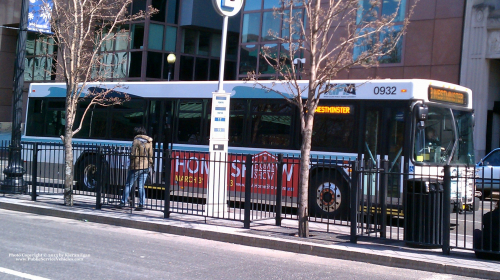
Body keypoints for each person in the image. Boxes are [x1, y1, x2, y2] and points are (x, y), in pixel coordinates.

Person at [119, 127, 153, 211]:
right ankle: (141, 204)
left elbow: (133, 154)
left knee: (128, 184)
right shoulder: (149, 141)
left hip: (136, 166)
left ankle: (123, 202)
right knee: (141, 186)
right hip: (146, 166)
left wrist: (130, 158)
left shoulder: (136, 141)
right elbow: (150, 154)